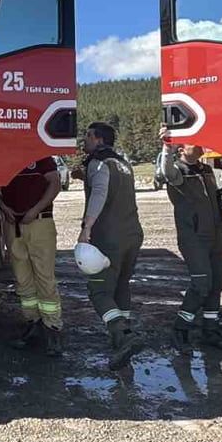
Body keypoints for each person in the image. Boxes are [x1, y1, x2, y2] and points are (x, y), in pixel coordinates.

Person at [157, 126, 222, 351]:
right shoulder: (179, 171)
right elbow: (166, 171)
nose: (200, 145)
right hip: (194, 238)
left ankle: (210, 331)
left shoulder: (205, 170)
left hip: (214, 236)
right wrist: (166, 146)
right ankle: (180, 329)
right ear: (182, 149)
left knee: (216, 284)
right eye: (194, 142)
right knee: (201, 284)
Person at [78, 122, 144, 369]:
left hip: (109, 236)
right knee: (121, 285)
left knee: (99, 290)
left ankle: (122, 335)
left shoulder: (99, 163)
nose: (84, 140)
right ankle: (123, 332)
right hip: (132, 234)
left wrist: (86, 229)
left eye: (87, 135)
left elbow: (99, 195)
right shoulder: (123, 163)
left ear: (98, 139)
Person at [0, 157, 64, 356]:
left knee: (44, 278)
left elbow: (55, 184)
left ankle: (53, 330)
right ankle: (32, 323)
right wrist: (4, 208)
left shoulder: (42, 158)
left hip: (39, 223)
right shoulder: (6, 159)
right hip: (12, 224)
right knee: (22, 279)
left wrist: (36, 210)